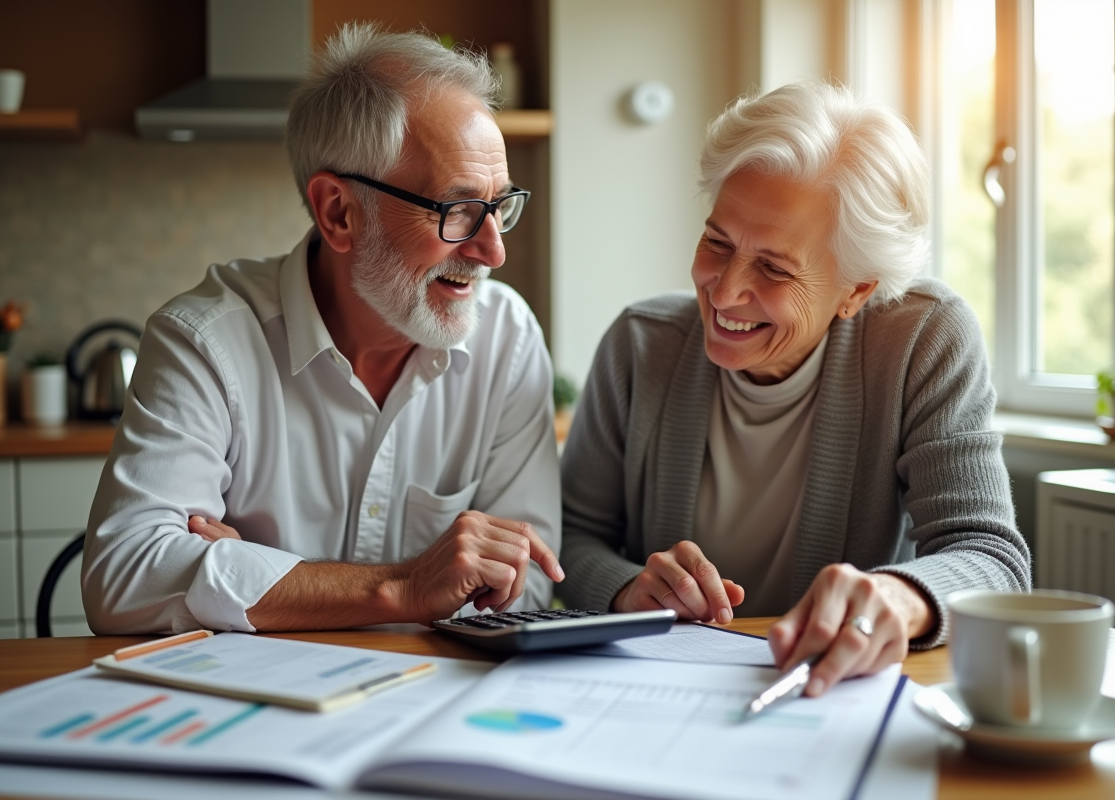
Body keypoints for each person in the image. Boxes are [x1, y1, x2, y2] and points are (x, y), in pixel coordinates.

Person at [82, 24, 563, 635]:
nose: (493, 251)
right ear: (339, 212)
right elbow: (124, 577)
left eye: (498, 207)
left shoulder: (507, 338)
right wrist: (404, 587)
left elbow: (530, 584)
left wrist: (251, 576)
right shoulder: (205, 341)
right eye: (457, 209)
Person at [558, 82, 1029, 696]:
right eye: (717, 243)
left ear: (856, 290)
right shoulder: (641, 342)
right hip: (661, 688)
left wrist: (895, 597)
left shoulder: (923, 338)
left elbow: (991, 557)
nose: (725, 291)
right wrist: (627, 588)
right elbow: (572, 535)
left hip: (834, 690)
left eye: (774, 268)